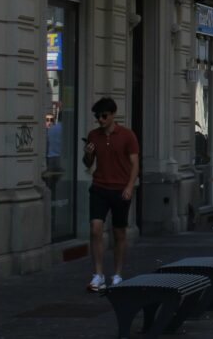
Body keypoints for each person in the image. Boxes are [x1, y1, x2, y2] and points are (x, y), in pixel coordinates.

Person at [82, 97, 140, 292]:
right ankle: (98, 275)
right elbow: (88, 163)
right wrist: (88, 153)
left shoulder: (127, 135)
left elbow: (135, 164)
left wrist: (129, 187)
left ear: (113, 115)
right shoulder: (93, 135)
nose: (100, 119)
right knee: (95, 228)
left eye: (104, 116)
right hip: (99, 187)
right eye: (97, 116)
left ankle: (117, 274)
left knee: (119, 232)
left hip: (120, 189)